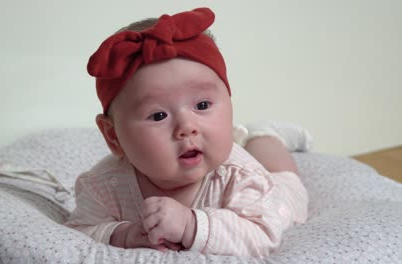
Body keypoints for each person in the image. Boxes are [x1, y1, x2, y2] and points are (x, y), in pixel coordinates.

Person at [65, 7, 308, 257]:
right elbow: (79, 230)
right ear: (113, 136)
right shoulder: (103, 185)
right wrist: (122, 234)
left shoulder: (243, 176)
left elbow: (261, 237)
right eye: (158, 115)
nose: (186, 127)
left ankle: (267, 133)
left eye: (202, 105)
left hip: (279, 196)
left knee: (278, 167)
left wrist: (191, 225)